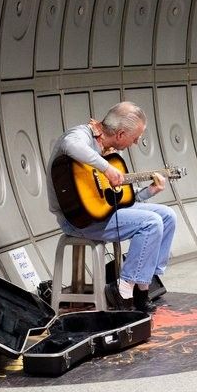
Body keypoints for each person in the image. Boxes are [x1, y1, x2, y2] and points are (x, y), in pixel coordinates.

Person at [47, 101, 174, 313]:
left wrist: (149, 191)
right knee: (151, 223)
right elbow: (70, 145)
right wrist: (106, 168)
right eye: (136, 138)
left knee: (168, 216)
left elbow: (122, 199)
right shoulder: (83, 135)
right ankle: (123, 289)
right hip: (79, 219)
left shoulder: (113, 152)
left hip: (105, 213)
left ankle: (144, 283)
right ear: (121, 133)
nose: (136, 142)